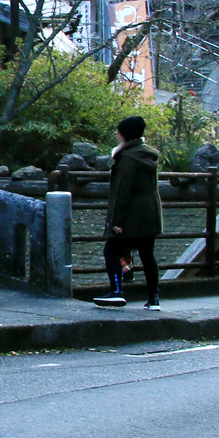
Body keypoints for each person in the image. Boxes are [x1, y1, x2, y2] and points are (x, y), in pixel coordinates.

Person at [95, 115, 163, 310]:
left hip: (132, 215)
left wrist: (116, 221)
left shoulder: (127, 159)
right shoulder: (147, 155)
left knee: (111, 250)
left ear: (124, 134)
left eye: (118, 132)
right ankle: (154, 299)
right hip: (150, 212)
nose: (116, 134)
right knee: (147, 254)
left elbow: (123, 191)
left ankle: (116, 291)